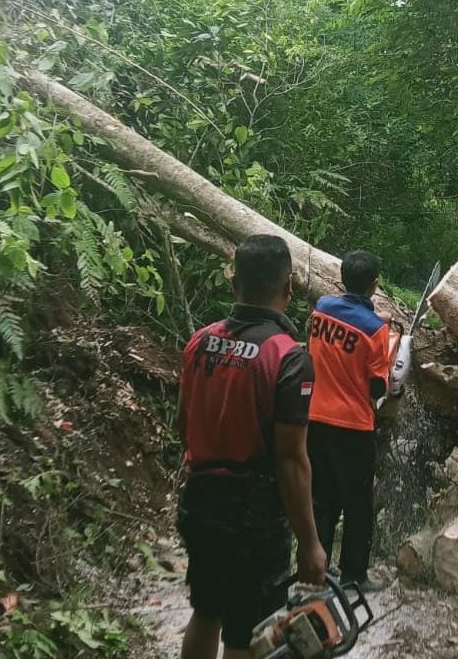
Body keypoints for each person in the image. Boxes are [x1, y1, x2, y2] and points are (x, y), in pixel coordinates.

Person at [176, 234, 327, 659]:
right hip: (253, 516)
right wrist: (311, 544)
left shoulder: (199, 341)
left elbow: (182, 426)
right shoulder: (288, 358)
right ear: (289, 286)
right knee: (247, 632)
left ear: (233, 283)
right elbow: (291, 462)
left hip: (200, 500)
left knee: (206, 611)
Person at [306, 250, 393, 593]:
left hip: (315, 417)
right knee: (357, 503)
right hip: (353, 425)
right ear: (375, 285)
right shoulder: (375, 332)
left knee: (322, 498)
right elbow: (377, 386)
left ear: (341, 278)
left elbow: (348, 322)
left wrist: (376, 318)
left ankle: (318, 568)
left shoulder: (321, 309)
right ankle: (355, 573)